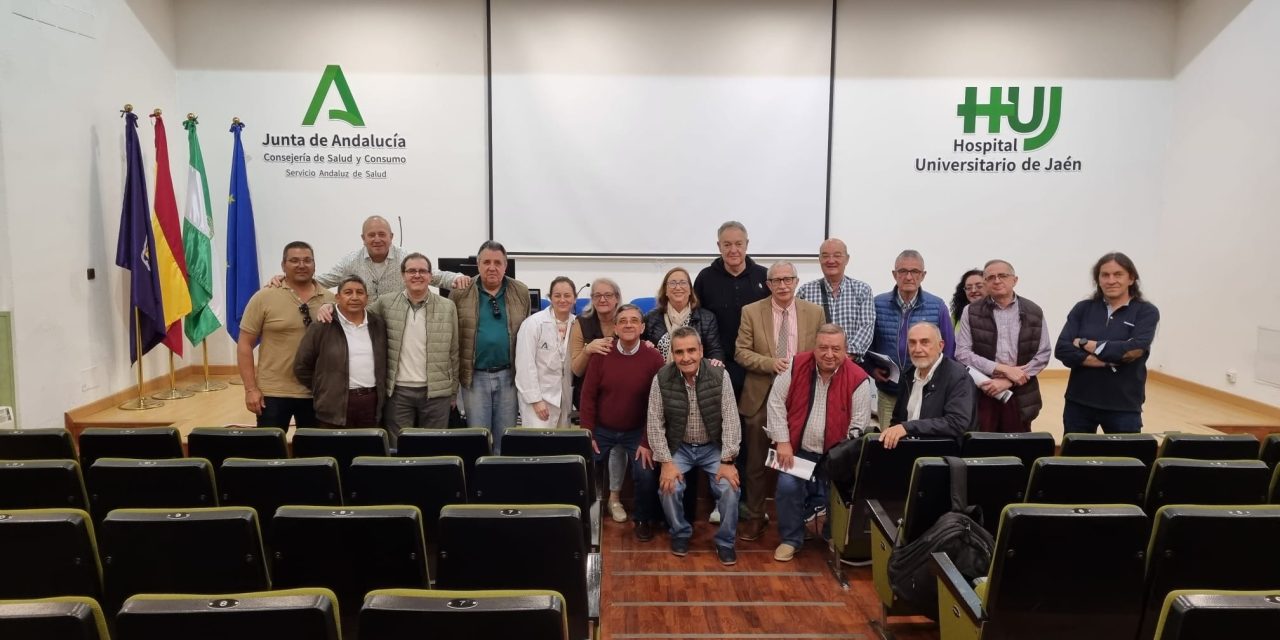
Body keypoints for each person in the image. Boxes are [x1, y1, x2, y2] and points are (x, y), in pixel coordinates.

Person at [765, 324, 872, 562]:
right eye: (823, 347)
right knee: (787, 486)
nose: (829, 354)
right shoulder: (794, 366)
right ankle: (791, 539)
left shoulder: (859, 379)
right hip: (796, 450)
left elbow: (858, 425)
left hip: (835, 456)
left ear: (846, 351)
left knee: (840, 491)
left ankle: (831, 534)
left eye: (836, 349)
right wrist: (782, 442)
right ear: (814, 348)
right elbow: (775, 404)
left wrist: (841, 458)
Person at [735, 261, 824, 542]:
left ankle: (799, 518)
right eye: (777, 280)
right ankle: (754, 515)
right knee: (756, 462)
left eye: (788, 279)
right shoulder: (751, 311)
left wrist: (799, 369)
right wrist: (772, 363)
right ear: (768, 284)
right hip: (761, 394)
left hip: (800, 397)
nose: (783, 285)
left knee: (797, 459)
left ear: (796, 282)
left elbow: (821, 352)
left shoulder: (815, 312)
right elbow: (741, 352)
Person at [647, 326, 742, 566]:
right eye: (679, 352)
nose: (686, 357)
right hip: (680, 447)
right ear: (673, 354)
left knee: (730, 489)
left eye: (691, 350)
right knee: (668, 487)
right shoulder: (661, 378)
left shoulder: (720, 376)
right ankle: (680, 533)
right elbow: (654, 422)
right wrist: (666, 463)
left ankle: (725, 542)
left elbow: (731, 418)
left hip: (714, 448)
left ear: (701, 351)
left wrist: (728, 460)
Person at [579, 304, 664, 540]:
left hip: (637, 431)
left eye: (634, 320)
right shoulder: (601, 354)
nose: (628, 324)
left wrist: (647, 441)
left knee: (646, 474)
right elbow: (588, 396)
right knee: (583, 467)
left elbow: (658, 404)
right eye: (623, 321)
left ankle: (643, 520)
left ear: (642, 327)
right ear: (615, 327)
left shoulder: (653, 357)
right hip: (602, 430)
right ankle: (584, 519)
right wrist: (588, 433)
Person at [1054, 252, 1160, 434]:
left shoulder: (1146, 312)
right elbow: (1062, 349)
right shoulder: (1083, 308)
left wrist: (1087, 344)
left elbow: (1134, 350)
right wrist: (1110, 359)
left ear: (1131, 278)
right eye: (1105, 275)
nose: (1111, 281)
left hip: (1123, 405)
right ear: (1098, 280)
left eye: (1118, 274)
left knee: (1125, 461)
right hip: (1079, 402)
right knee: (1074, 461)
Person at [237, 241, 336, 431]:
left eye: (307, 260)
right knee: (269, 453)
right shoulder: (264, 297)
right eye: (294, 260)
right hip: (273, 393)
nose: (301, 265)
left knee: (314, 456)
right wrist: (250, 389)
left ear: (315, 265)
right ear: (283, 266)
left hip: (316, 392)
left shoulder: (330, 300)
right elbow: (245, 344)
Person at [268, 216, 471, 300]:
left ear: (391, 237)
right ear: (363, 238)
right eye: (371, 235)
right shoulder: (350, 261)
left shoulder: (406, 258)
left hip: (399, 328)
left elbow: (434, 276)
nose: (377, 239)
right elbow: (322, 280)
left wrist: (458, 278)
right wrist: (287, 280)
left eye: (382, 234)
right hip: (363, 327)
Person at [452, 240, 530, 453]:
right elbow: (452, 338)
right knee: (478, 439)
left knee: (505, 440)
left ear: (505, 266)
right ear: (478, 265)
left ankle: (500, 484)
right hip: (474, 378)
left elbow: (528, 335)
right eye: (486, 262)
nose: (492, 267)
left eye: (498, 262)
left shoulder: (520, 291)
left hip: (509, 377)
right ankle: (479, 485)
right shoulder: (461, 292)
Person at [954, 260, 1051, 433]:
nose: (997, 280)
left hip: (1021, 392)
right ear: (986, 283)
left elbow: (1042, 354)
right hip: (984, 389)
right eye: (991, 277)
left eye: (1002, 276)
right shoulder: (971, 311)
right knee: (982, 446)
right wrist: (1001, 369)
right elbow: (962, 353)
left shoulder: (1033, 311)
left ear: (1015, 280)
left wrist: (1009, 380)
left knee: (1018, 447)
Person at [568, 277, 631, 518]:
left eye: (608, 295)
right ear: (591, 299)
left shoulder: (627, 320)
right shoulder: (581, 324)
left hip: (620, 396)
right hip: (589, 396)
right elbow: (576, 369)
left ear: (617, 297)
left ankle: (614, 498)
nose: (603, 300)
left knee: (618, 441)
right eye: (597, 295)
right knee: (592, 446)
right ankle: (589, 499)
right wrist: (588, 349)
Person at [869, 250, 956, 427]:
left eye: (914, 272)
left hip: (927, 392)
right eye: (903, 271)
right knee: (889, 443)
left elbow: (948, 349)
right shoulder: (877, 304)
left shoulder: (937, 306)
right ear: (894, 275)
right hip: (889, 391)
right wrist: (871, 369)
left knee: (923, 439)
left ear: (923, 275)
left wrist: (940, 384)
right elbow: (867, 344)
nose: (909, 277)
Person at [294, 276, 388, 427]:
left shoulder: (378, 324)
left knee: (369, 449)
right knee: (335, 449)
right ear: (337, 297)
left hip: (371, 404)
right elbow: (301, 366)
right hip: (334, 405)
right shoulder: (322, 326)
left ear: (367, 298)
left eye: (360, 292)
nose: (354, 297)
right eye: (348, 292)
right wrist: (325, 387)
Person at [694, 221, 769, 398]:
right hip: (717, 363)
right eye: (727, 245)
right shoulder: (705, 278)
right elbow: (696, 319)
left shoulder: (764, 276)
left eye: (738, 244)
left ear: (747, 244)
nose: (733, 250)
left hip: (757, 362)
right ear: (719, 246)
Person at [880, 322, 976, 449]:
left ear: (940, 346)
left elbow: (957, 422)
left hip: (942, 456)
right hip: (907, 451)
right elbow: (897, 420)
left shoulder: (958, 377)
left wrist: (908, 428)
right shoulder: (908, 375)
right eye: (912, 343)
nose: (917, 349)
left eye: (925, 342)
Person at [796, 238, 875, 360]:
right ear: (820, 259)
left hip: (851, 364)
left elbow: (866, 327)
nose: (831, 260)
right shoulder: (805, 292)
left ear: (847, 259)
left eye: (837, 255)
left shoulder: (862, 290)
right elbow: (800, 331)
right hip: (816, 364)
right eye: (825, 256)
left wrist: (844, 355)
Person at [515, 276, 577, 428]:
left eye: (567, 295)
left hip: (564, 398)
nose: (562, 300)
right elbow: (525, 365)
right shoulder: (533, 323)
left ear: (575, 298)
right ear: (550, 297)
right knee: (539, 446)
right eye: (557, 295)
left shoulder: (577, 324)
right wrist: (535, 400)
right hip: (538, 399)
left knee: (562, 445)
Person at [644, 266, 724, 364]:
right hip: (660, 374)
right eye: (672, 283)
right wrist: (646, 347)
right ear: (665, 291)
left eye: (683, 283)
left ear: (690, 290)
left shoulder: (707, 318)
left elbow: (714, 350)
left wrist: (716, 360)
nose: (678, 287)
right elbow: (640, 347)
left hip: (696, 375)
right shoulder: (651, 318)